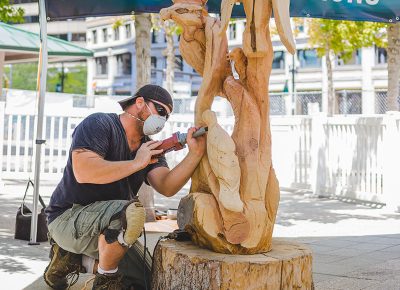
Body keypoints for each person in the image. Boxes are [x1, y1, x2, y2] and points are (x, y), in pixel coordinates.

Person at [43, 84, 206, 290]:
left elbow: (166, 186)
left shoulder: (148, 147)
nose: (163, 121)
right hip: (67, 218)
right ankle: (105, 282)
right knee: (130, 212)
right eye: (161, 111)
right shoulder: (100, 123)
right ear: (139, 103)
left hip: (111, 225)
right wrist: (137, 163)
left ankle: (74, 261)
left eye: (167, 117)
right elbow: (83, 171)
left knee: (148, 278)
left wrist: (195, 154)